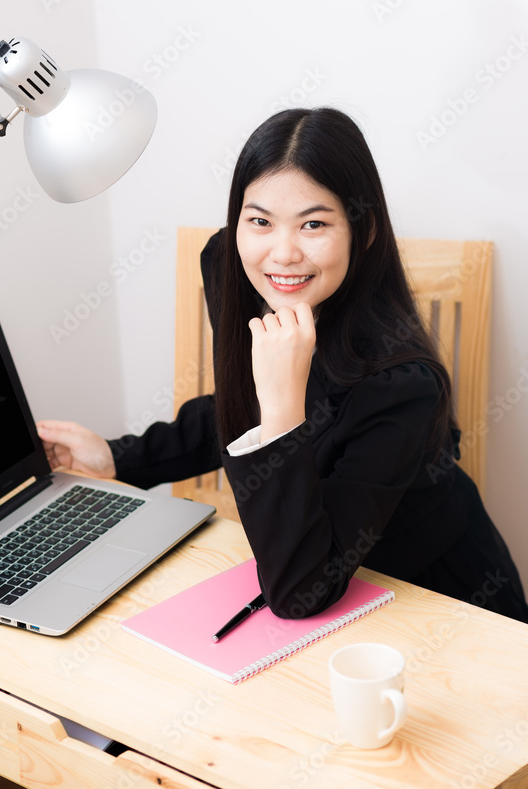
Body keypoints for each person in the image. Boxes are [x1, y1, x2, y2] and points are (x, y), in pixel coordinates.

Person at [37, 107, 528, 623]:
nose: (282, 253)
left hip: (431, 599)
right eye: (260, 222)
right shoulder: (232, 270)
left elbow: (302, 592)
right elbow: (235, 405)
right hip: (309, 567)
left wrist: (282, 409)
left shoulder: (402, 385)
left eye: (313, 223)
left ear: (363, 233)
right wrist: (118, 458)